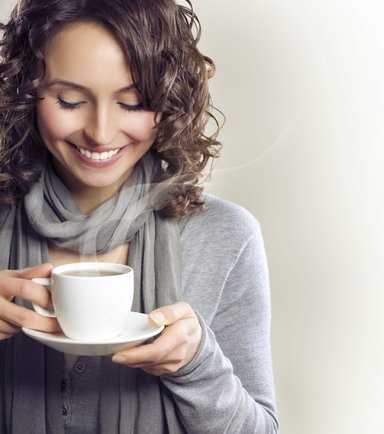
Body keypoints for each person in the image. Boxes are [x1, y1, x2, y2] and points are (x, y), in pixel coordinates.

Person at [0, 0, 279, 432]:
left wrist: (197, 364)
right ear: (26, 94)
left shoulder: (226, 236)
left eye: (132, 103)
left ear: (169, 102)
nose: (100, 132)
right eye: (70, 100)